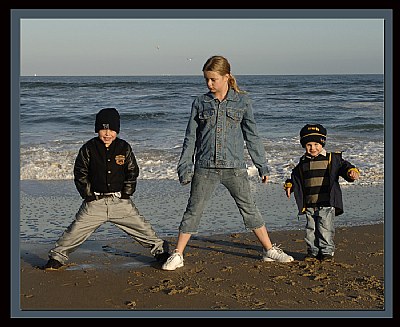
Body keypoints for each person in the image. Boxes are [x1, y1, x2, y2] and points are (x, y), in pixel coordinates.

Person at [162, 55, 294, 271]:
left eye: (213, 79)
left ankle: (269, 250)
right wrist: (184, 167)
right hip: (205, 167)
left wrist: (262, 165)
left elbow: (252, 135)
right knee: (193, 211)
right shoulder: (200, 102)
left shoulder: (242, 101)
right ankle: (178, 254)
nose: (209, 84)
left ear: (226, 77)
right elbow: (190, 138)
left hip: (234, 168)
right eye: (206, 79)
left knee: (249, 208)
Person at [43, 108, 169, 270]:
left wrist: (127, 192)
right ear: (97, 130)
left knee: (142, 228)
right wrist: (87, 195)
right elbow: (80, 172)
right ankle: (57, 257)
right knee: (74, 231)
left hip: (120, 201)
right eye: (103, 129)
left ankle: (160, 252)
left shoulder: (124, 147)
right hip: (94, 202)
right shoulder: (89, 148)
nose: (107, 133)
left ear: (117, 130)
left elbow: (132, 171)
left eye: (111, 129)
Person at [284, 123, 360, 262]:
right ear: (303, 145)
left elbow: (344, 167)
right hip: (309, 203)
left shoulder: (332, 158)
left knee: (325, 228)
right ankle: (312, 251)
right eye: (308, 145)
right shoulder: (303, 162)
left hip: (326, 202)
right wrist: (289, 185)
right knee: (310, 229)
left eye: (316, 144)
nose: (313, 148)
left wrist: (351, 172)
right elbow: (295, 177)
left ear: (322, 143)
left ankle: (326, 252)